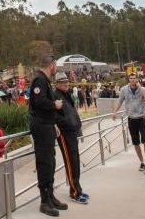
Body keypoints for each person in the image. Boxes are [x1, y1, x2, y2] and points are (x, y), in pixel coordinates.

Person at [29, 54, 68, 217]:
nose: (56, 68)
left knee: (50, 161)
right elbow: (39, 102)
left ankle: (50, 196)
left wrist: (53, 124)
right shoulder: (39, 80)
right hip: (41, 127)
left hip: (47, 126)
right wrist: (55, 104)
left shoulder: (44, 80)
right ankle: (44, 201)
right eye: (56, 65)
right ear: (51, 65)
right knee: (45, 163)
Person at [54, 73, 88, 204]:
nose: (66, 84)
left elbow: (72, 112)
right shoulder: (55, 95)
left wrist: (77, 125)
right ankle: (74, 192)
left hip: (72, 132)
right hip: (65, 133)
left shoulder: (67, 94)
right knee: (70, 162)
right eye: (63, 82)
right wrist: (65, 124)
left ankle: (77, 188)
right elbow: (54, 115)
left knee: (75, 161)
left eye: (67, 81)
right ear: (57, 84)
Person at [112, 74, 145, 174]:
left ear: (137, 79)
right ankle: (142, 162)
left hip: (141, 118)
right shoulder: (124, 89)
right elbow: (120, 101)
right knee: (135, 143)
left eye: (134, 78)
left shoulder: (143, 89)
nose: (133, 80)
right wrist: (115, 112)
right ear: (128, 80)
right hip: (131, 119)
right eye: (131, 78)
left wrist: (141, 89)